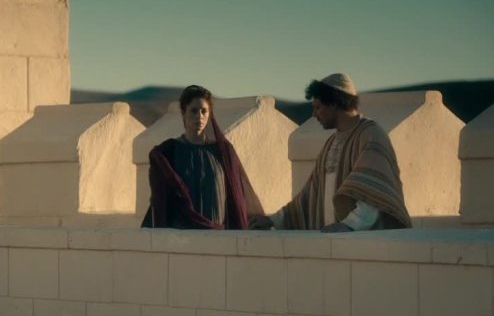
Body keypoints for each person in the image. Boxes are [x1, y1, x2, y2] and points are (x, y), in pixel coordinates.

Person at [249, 73, 411, 232]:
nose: (314, 115)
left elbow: (373, 195)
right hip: (334, 240)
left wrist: (350, 225)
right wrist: (273, 220)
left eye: (318, 107)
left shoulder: (371, 135)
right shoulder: (331, 143)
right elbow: (308, 197)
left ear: (333, 104)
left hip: (366, 241)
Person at [141, 85, 262, 229]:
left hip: (219, 237)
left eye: (204, 111)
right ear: (183, 113)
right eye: (194, 111)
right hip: (182, 238)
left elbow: (236, 201)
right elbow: (161, 203)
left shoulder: (223, 152)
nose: (199, 116)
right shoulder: (168, 152)